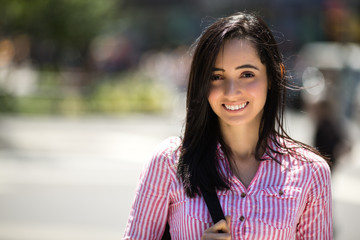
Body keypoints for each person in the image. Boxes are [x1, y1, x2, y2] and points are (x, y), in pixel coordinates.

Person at [123, 12, 332, 240]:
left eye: (247, 74)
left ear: (273, 75)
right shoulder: (170, 162)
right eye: (216, 76)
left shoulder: (311, 171)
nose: (231, 92)